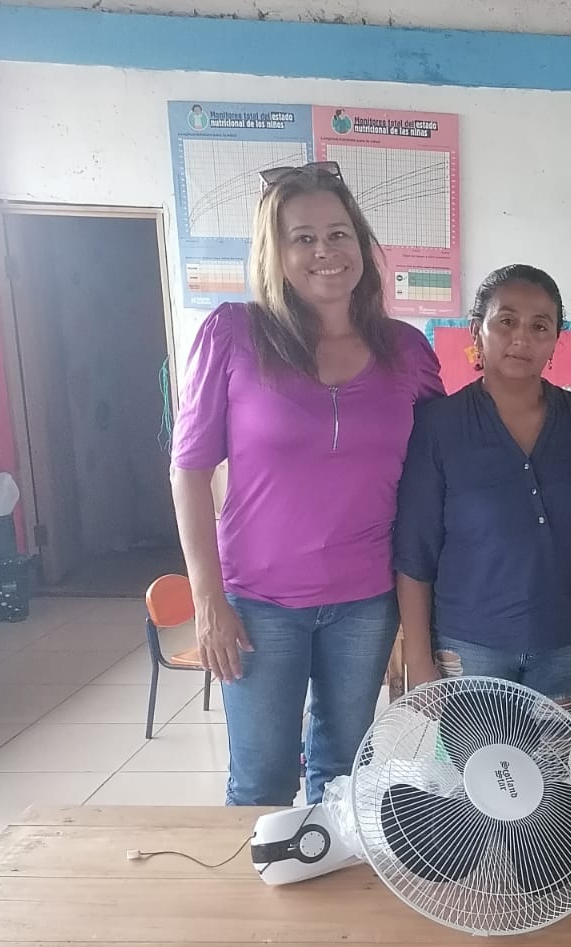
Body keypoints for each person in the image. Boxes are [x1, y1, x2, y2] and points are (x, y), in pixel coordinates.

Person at [171, 162, 443, 806]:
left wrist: (563, 405)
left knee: (344, 778)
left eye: (339, 234)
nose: (326, 251)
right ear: (277, 253)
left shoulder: (405, 349)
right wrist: (207, 598)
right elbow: (189, 470)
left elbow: (451, 451)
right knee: (261, 780)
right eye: (304, 238)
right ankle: (262, 875)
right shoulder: (233, 334)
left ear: (361, 244)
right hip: (258, 603)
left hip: (366, 599)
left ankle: (327, 870)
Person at [395, 265, 571, 714]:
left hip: (566, 644)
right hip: (468, 645)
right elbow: (415, 550)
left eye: (540, 326)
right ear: (477, 331)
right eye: (507, 321)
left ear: (556, 340)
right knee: (475, 761)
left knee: (550, 761)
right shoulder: (439, 426)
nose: (522, 338)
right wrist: (418, 660)